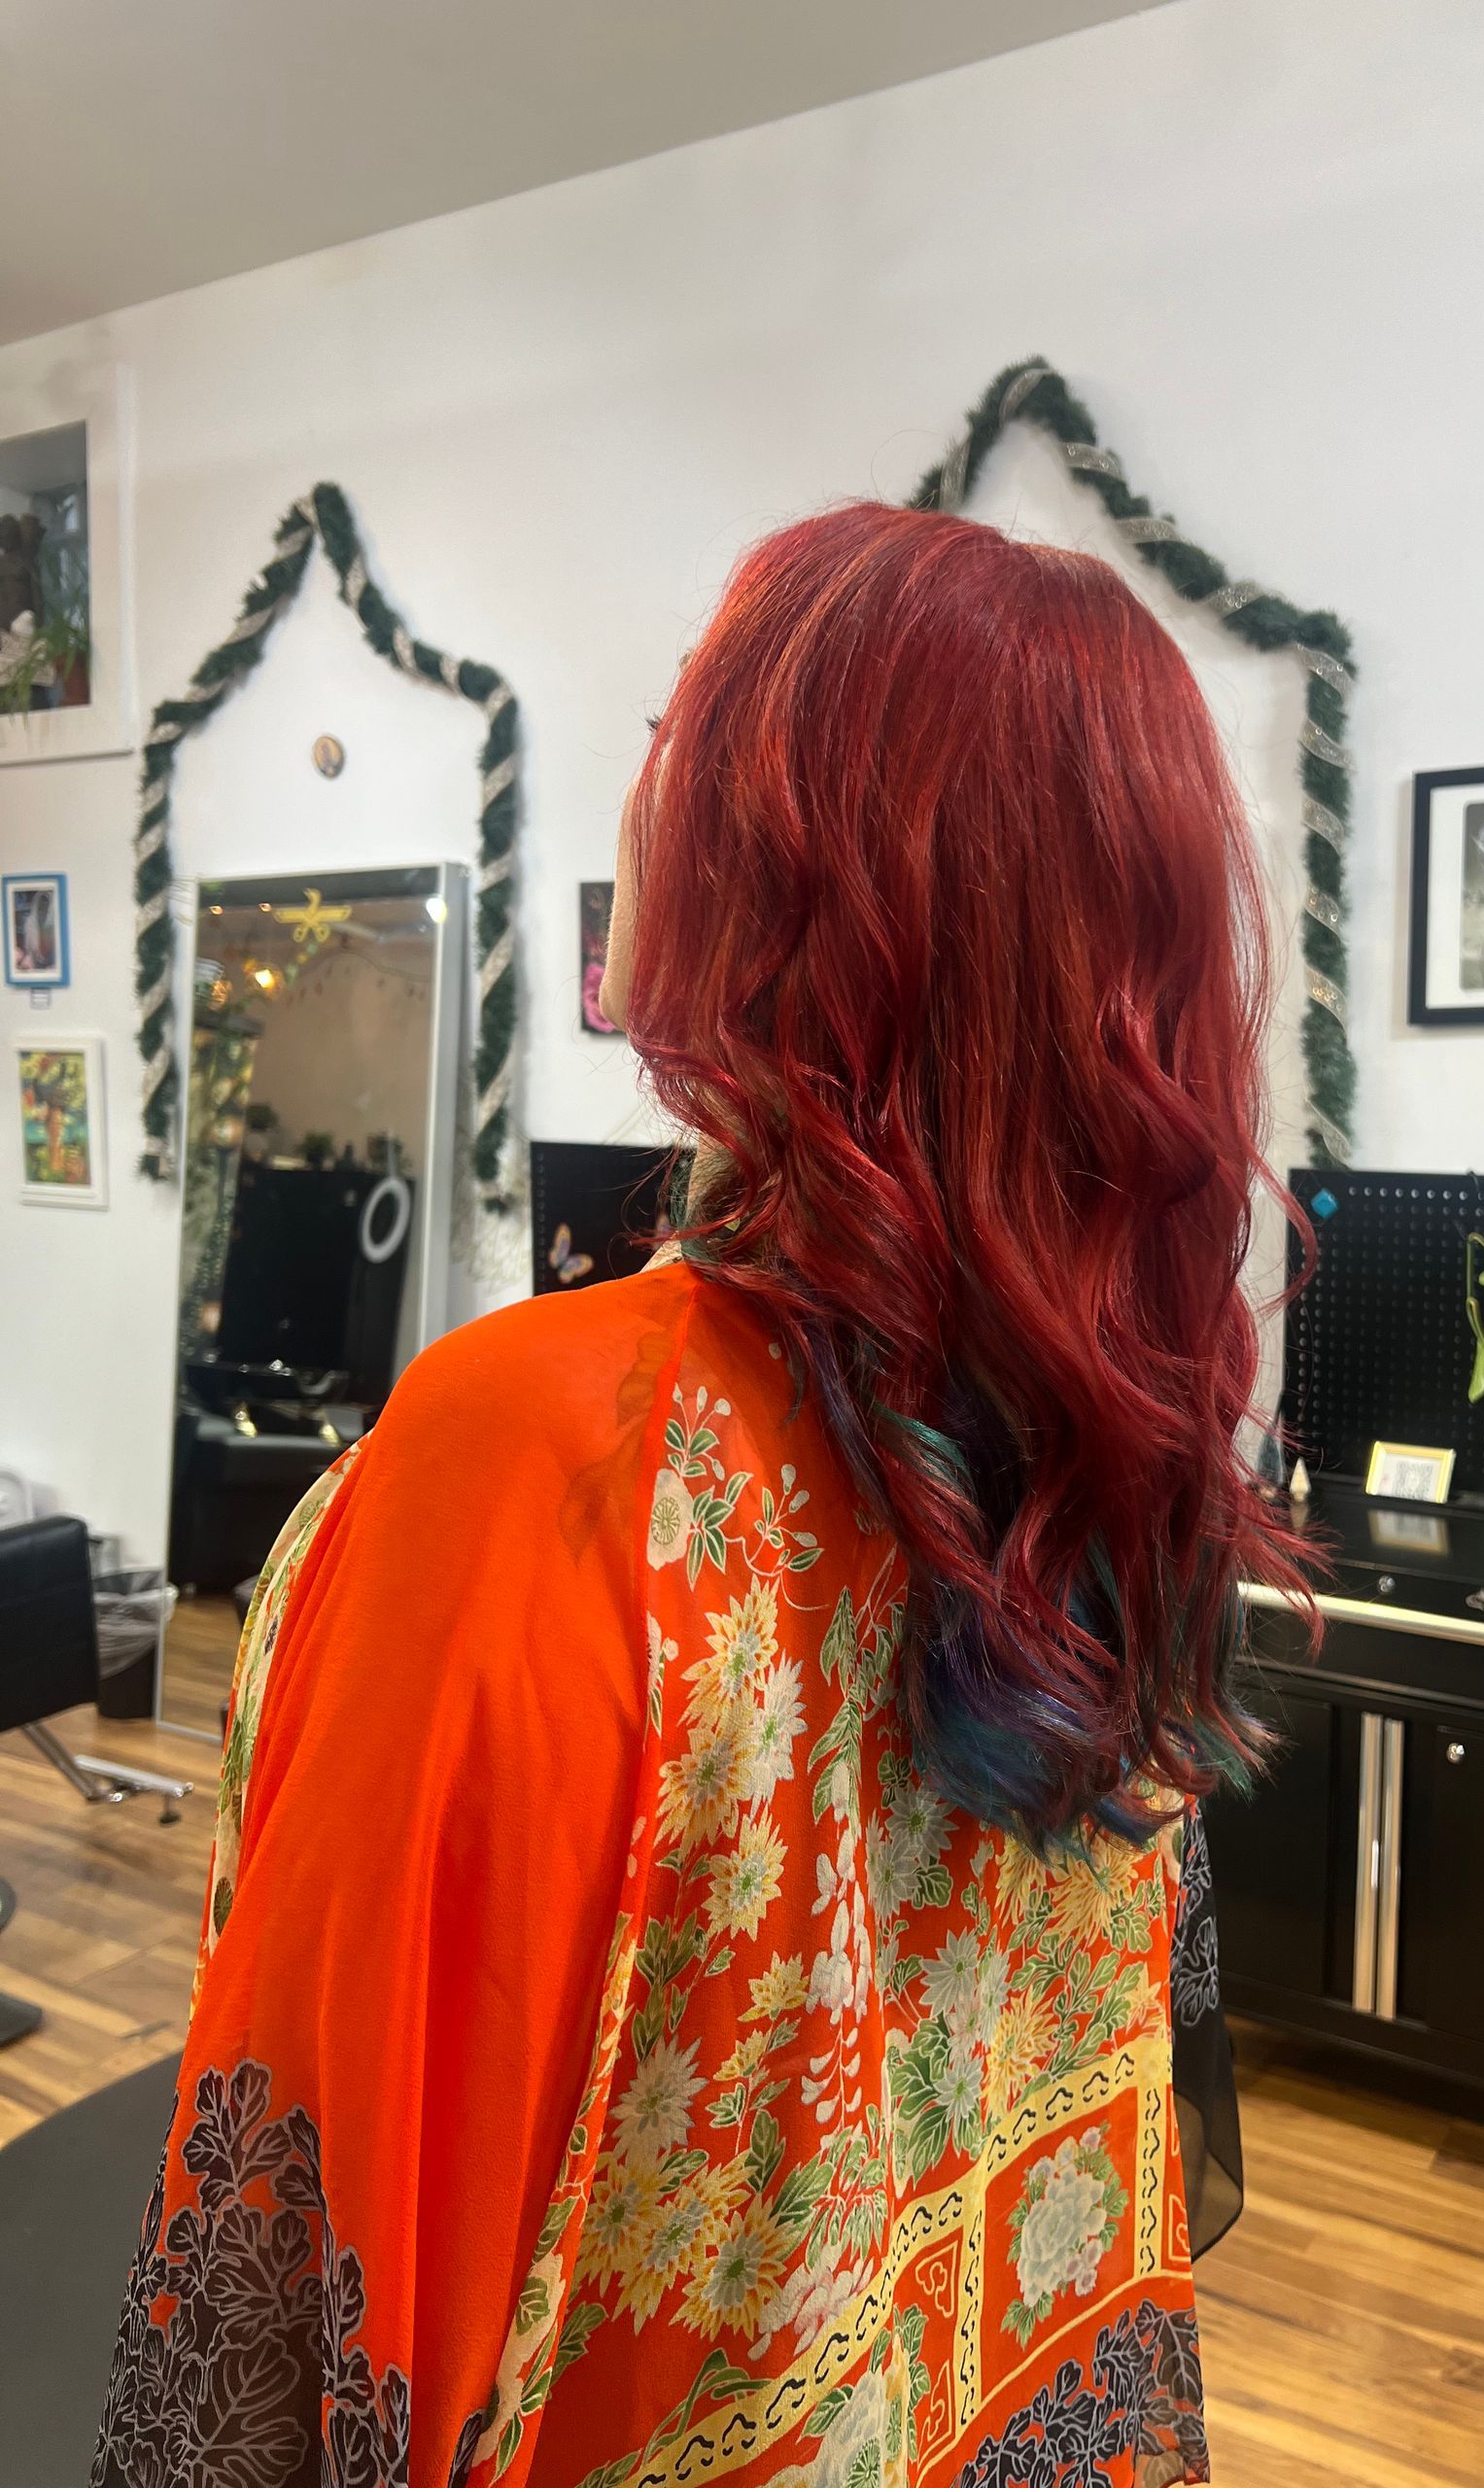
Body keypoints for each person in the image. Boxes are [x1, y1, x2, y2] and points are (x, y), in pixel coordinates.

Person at [94, 501, 1306, 2488]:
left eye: (673, 736)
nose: (636, 800)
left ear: (786, 878)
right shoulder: (1120, 1445)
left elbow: (289, 2322)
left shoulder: (547, 1456)